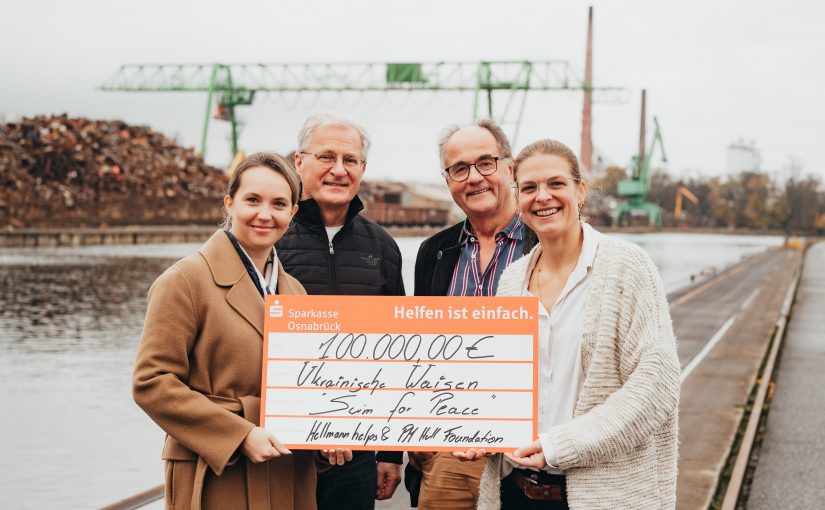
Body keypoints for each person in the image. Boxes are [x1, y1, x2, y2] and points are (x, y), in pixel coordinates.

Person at [459, 139, 680, 509]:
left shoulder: (627, 267)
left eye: (556, 184)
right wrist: (482, 429)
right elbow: (500, 383)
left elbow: (656, 386)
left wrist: (558, 446)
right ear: (518, 197)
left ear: (580, 190)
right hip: (514, 491)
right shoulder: (513, 280)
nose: (542, 196)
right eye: (529, 187)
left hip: (602, 494)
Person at [133, 152, 352, 510]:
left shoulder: (295, 290)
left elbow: (307, 384)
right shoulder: (184, 281)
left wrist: (327, 434)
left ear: (293, 213)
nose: (265, 214)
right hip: (218, 469)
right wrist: (239, 435)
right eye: (253, 200)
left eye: (279, 203)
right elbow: (152, 383)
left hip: (287, 470)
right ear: (229, 202)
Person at [276, 114, 404, 509]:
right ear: (299, 162)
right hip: (281, 450)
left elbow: (397, 351)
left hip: (358, 452)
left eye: (350, 160)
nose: (338, 170)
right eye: (326, 157)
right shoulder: (270, 239)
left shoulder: (382, 246)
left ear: (363, 169)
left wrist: (389, 453)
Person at [408, 119, 536, 509]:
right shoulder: (434, 252)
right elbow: (419, 347)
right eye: (459, 169)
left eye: (486, 163)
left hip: (528, 450)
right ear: (448, 180)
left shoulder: (544, 242)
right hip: (451, 452)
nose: (474, 178)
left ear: (509, 168)